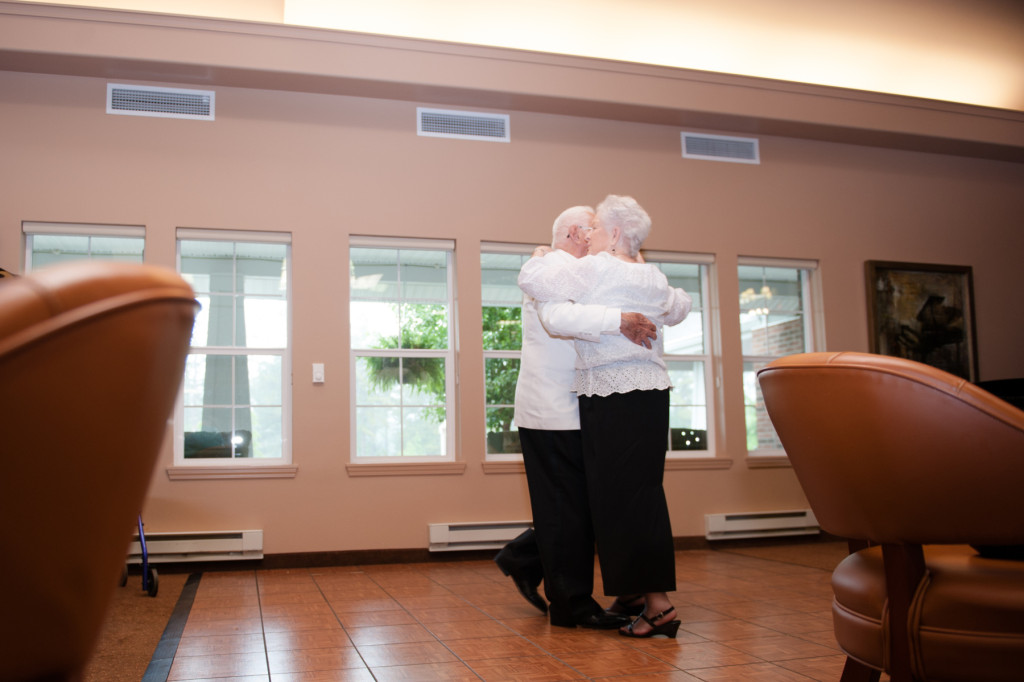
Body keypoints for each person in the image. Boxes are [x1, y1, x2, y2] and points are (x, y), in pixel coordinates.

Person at [518, 194, 692, 638]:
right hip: (653, 392)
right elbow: (679, 307)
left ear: (613, 234)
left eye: (595, 229)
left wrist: (543, 258)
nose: (587, 235)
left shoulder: (595, 267)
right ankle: (637, 595)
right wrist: (637, 276)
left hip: (613, 396)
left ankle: (656, 604)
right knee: (640, 495)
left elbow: (543, 295)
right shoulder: (650, 273)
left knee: (620, 500)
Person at [495, 204, 656, 629]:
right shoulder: (553, 267)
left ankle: (524, 558)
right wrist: (619, 319)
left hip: (579, 408)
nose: (598, 236)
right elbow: (557, 319)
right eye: (592, 228)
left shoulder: (579, 270)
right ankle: (571, 605)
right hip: (551, 410)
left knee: (578, 507)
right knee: (566, 510)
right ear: (573, 233)